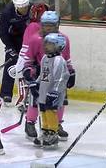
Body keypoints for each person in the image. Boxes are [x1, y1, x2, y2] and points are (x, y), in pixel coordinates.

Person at [23, 11, 74, 141]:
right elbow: (28, 60)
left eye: (51, 25)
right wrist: (29, 73)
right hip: (40, 72)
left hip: (58, 74)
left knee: (60, 100)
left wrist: (71, 71)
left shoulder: (64, 39)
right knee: (35, 100)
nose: (48, 28)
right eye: (45, 25)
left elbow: (66, 58)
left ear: (57, 25)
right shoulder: (35, 39)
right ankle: (30, 122)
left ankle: (57, 124)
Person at [30, 33, 69, 148]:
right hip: (43, 90)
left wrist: (55, 92)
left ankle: (53, 133)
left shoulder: (59, 60)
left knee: (51, 111)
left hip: (53, 93)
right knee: (43, 111)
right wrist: (35, 83)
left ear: (59, 46)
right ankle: (45, 131)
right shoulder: (44, 58)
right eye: (46, 43)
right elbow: (43, 74)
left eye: (50, 44)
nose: (46, 46)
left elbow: (62, 78)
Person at [0, 0, 32, 105]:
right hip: (14, 41)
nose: (24, 10)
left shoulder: (33, 9)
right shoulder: (7, 12)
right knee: (11, 66)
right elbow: (2, 32)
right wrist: (10, 47)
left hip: (29, 40)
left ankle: (30, 94)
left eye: (26, 7)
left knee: (29, 67)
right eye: (21, 8)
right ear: (16, 6)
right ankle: (6, 94)